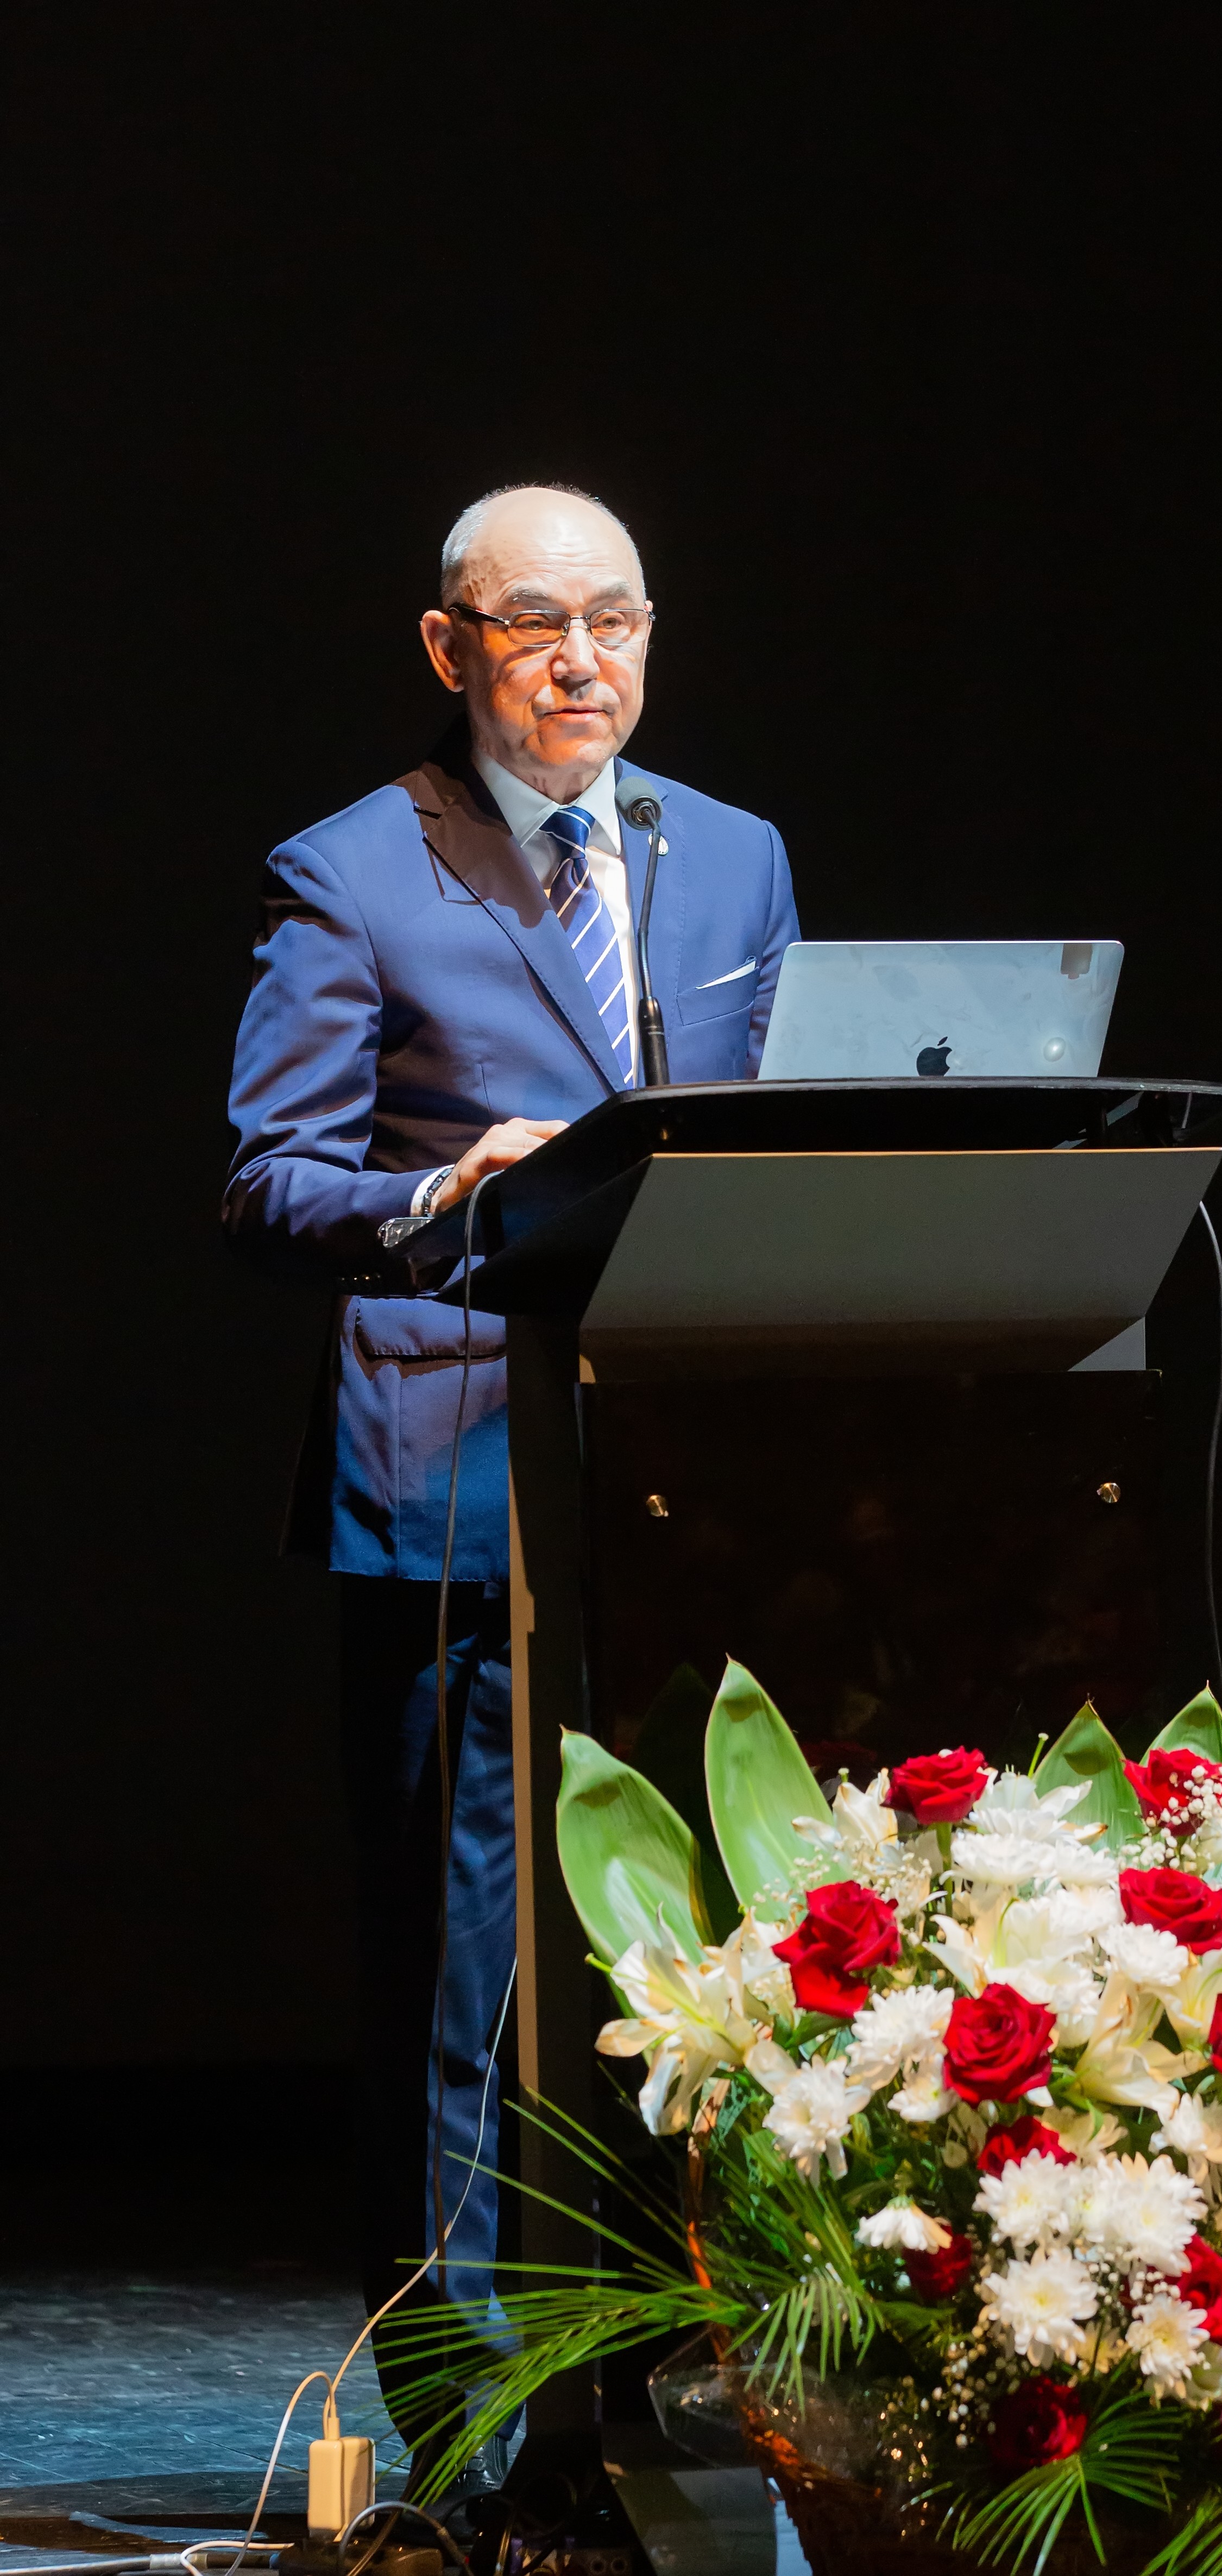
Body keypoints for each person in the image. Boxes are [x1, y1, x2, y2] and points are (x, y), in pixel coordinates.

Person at [223, 483, 799, 2476]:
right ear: (449, 644)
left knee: (699, 1951)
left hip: (690, 1476)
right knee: (465, 1982)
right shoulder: (354, 872)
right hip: (461, 1487)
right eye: (537, 623)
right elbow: (269, 1182)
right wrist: (443, 1196)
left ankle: (685, 2374)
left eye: (615, 621)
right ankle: (464, 2421)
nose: (582, 661)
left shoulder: (730, 854)